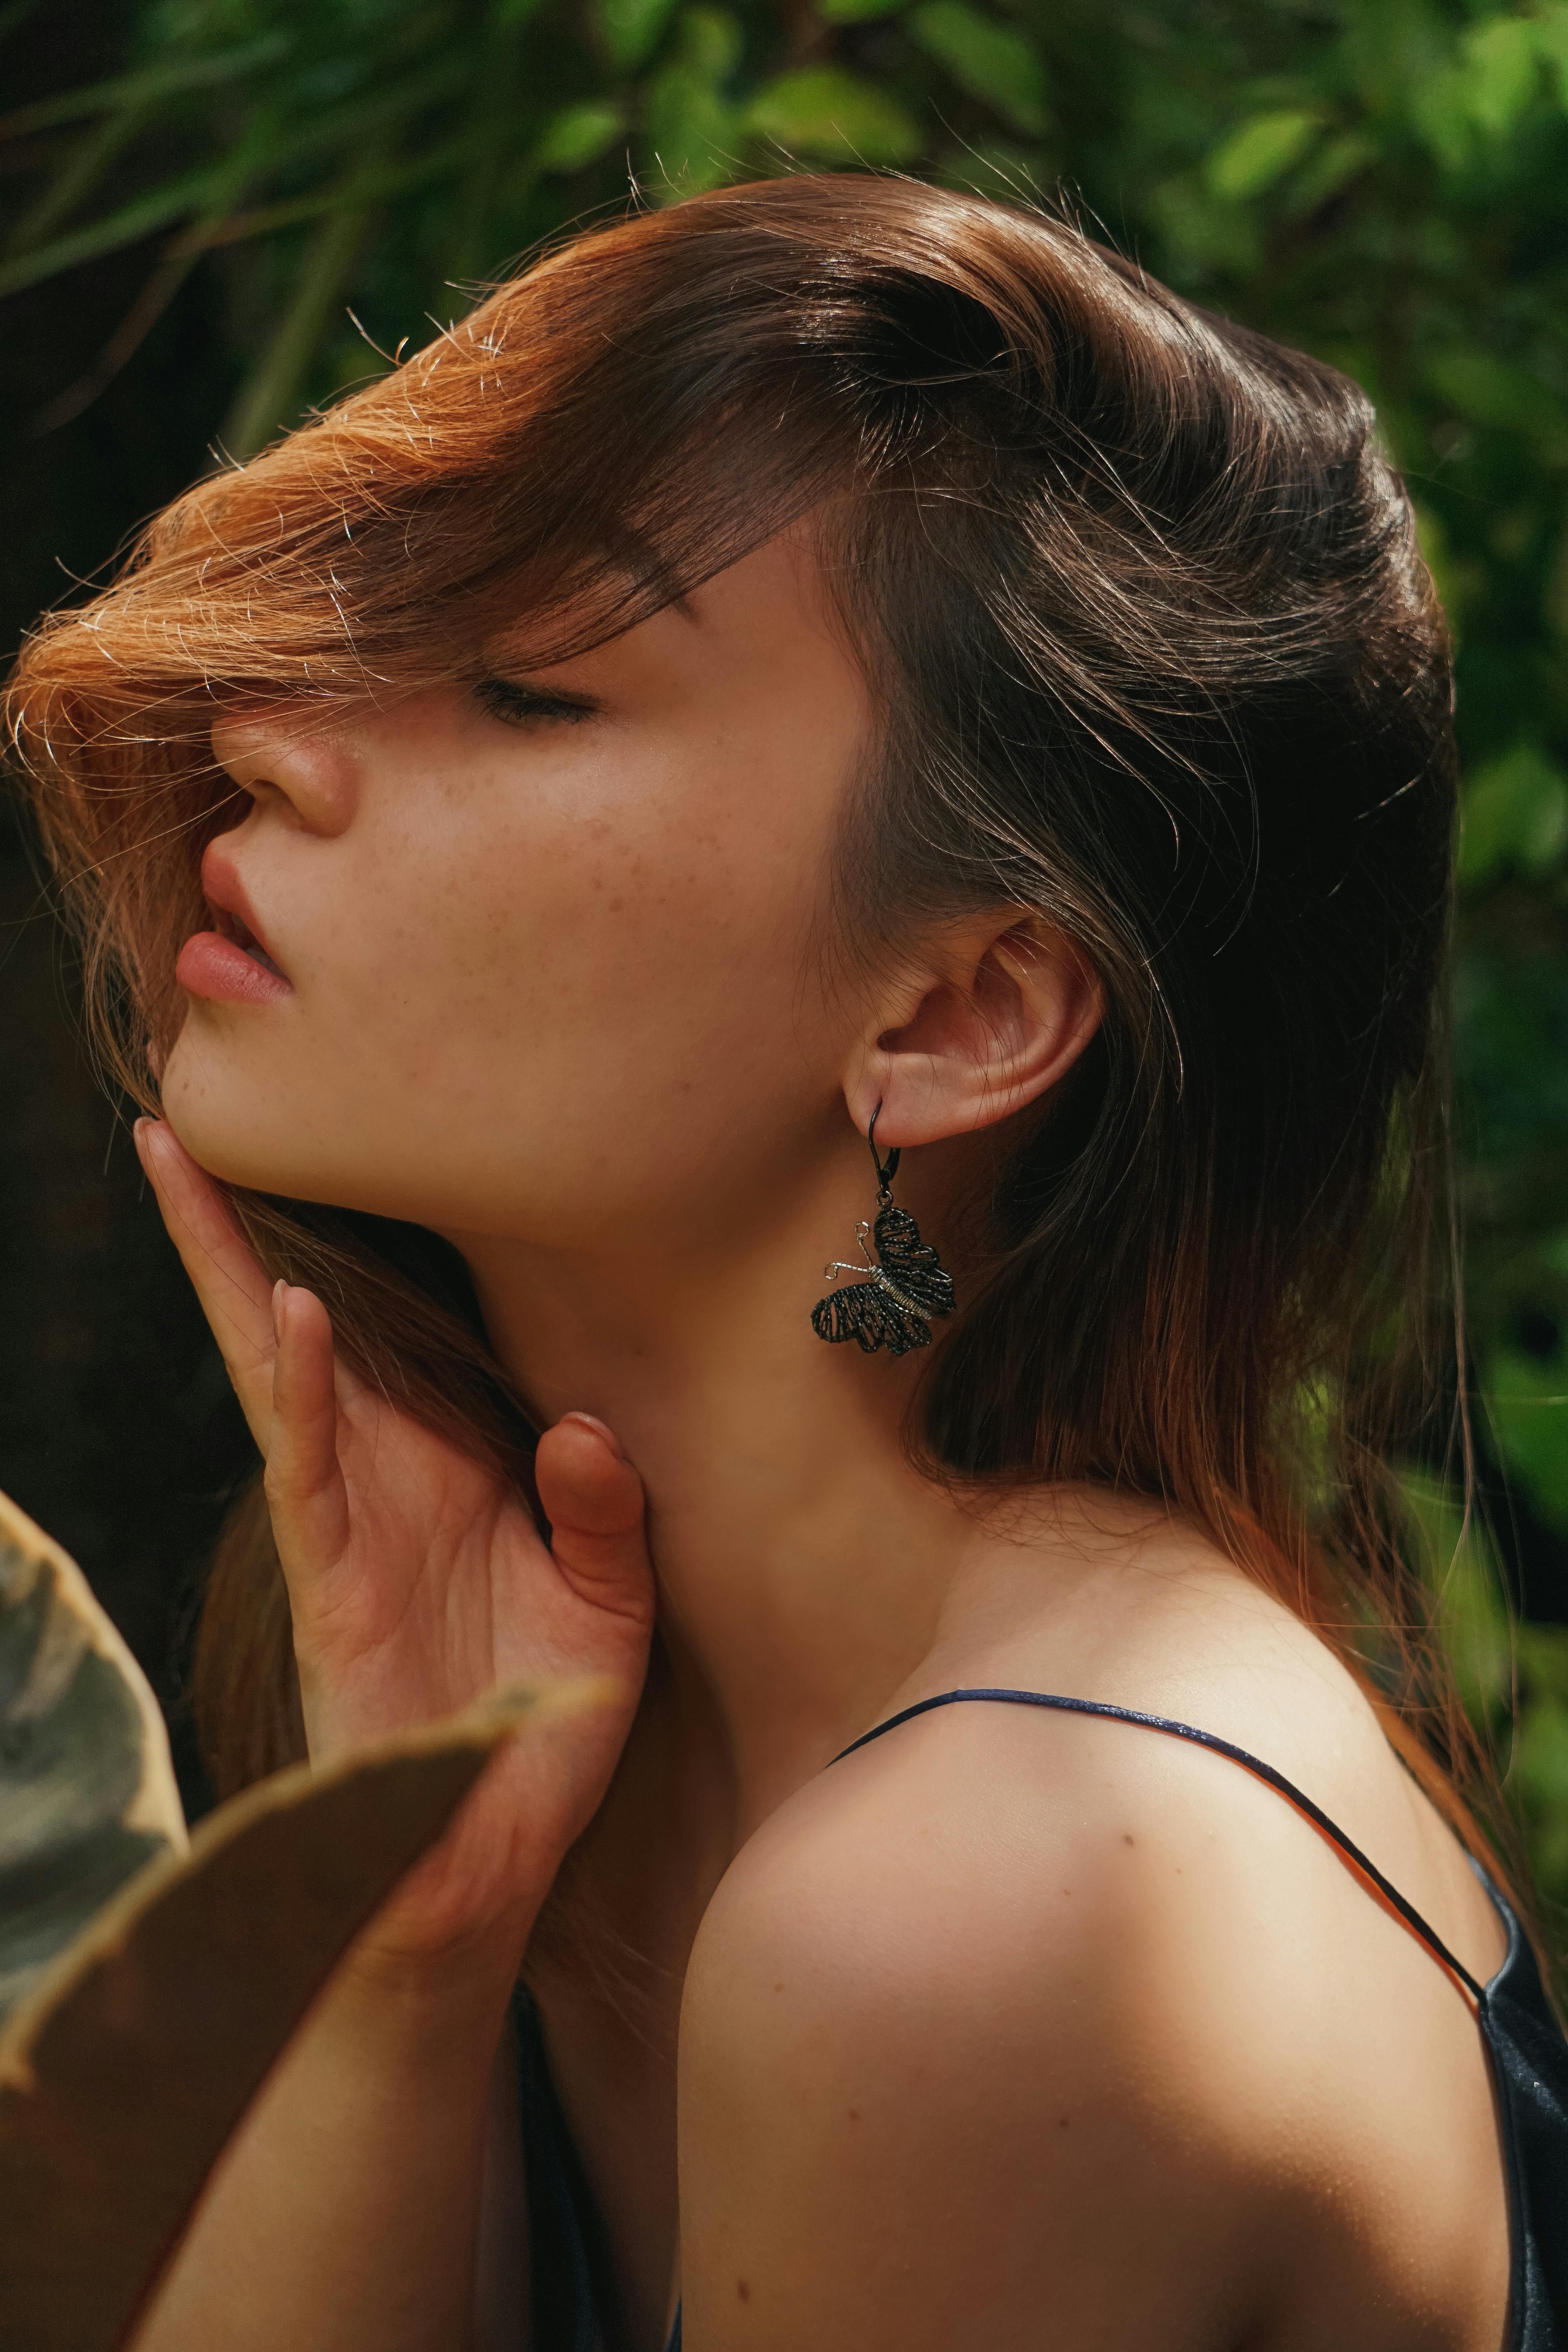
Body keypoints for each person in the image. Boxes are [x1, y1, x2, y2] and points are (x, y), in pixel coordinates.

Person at [9, 172, 1566, 2351]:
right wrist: (413, 1943)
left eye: (535, 691)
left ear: (952, 1017)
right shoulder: (596, 1715)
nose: (267, 725)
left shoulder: (1001, 1902)